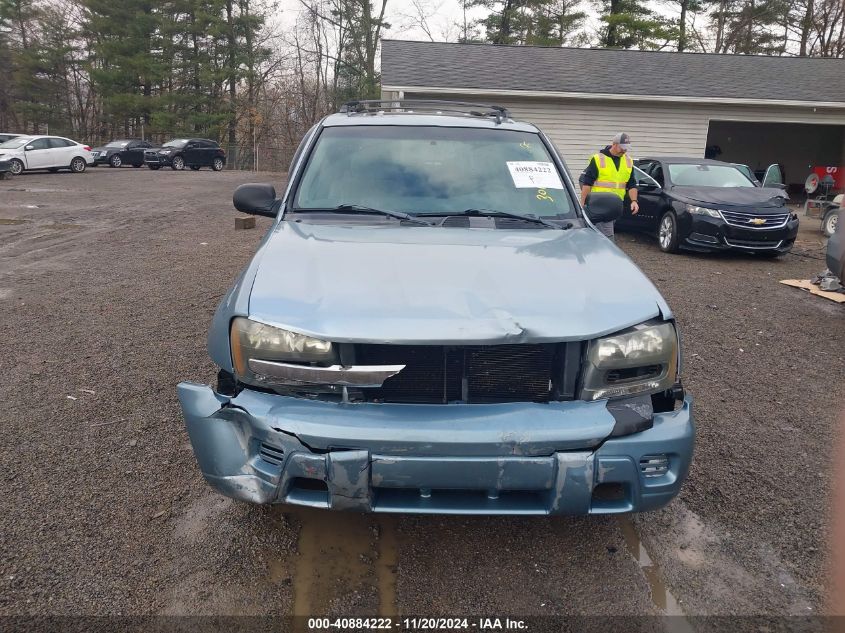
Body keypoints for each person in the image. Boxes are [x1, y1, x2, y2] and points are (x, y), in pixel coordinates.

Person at [580, 132, 639, 240]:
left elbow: (631, 184)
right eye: (622, 147)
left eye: (627, 148)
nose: (625, 150)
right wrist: (582, 204)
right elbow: (587, 183)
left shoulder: (628, 161)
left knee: (598, 236)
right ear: (614, 144)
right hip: (599, 204)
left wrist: (634, 201)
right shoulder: (598, 159)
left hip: (616, 206)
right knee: (607, 237)